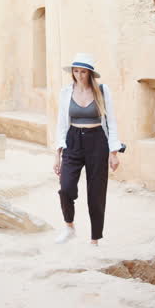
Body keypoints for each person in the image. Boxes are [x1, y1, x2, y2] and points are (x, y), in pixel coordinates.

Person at [53, 52, 122, 245]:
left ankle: (95, 239)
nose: (79, 75)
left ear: (90, 73)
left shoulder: (102, 90)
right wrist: (57, 155)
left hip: (97, 141)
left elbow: (112, 123)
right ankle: (69, 226)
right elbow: (61, 124)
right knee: (65, 188)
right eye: (76, 71)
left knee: (96, 192)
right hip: (72, 140)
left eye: (83, 72)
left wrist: (113, 153)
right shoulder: (66, 92)